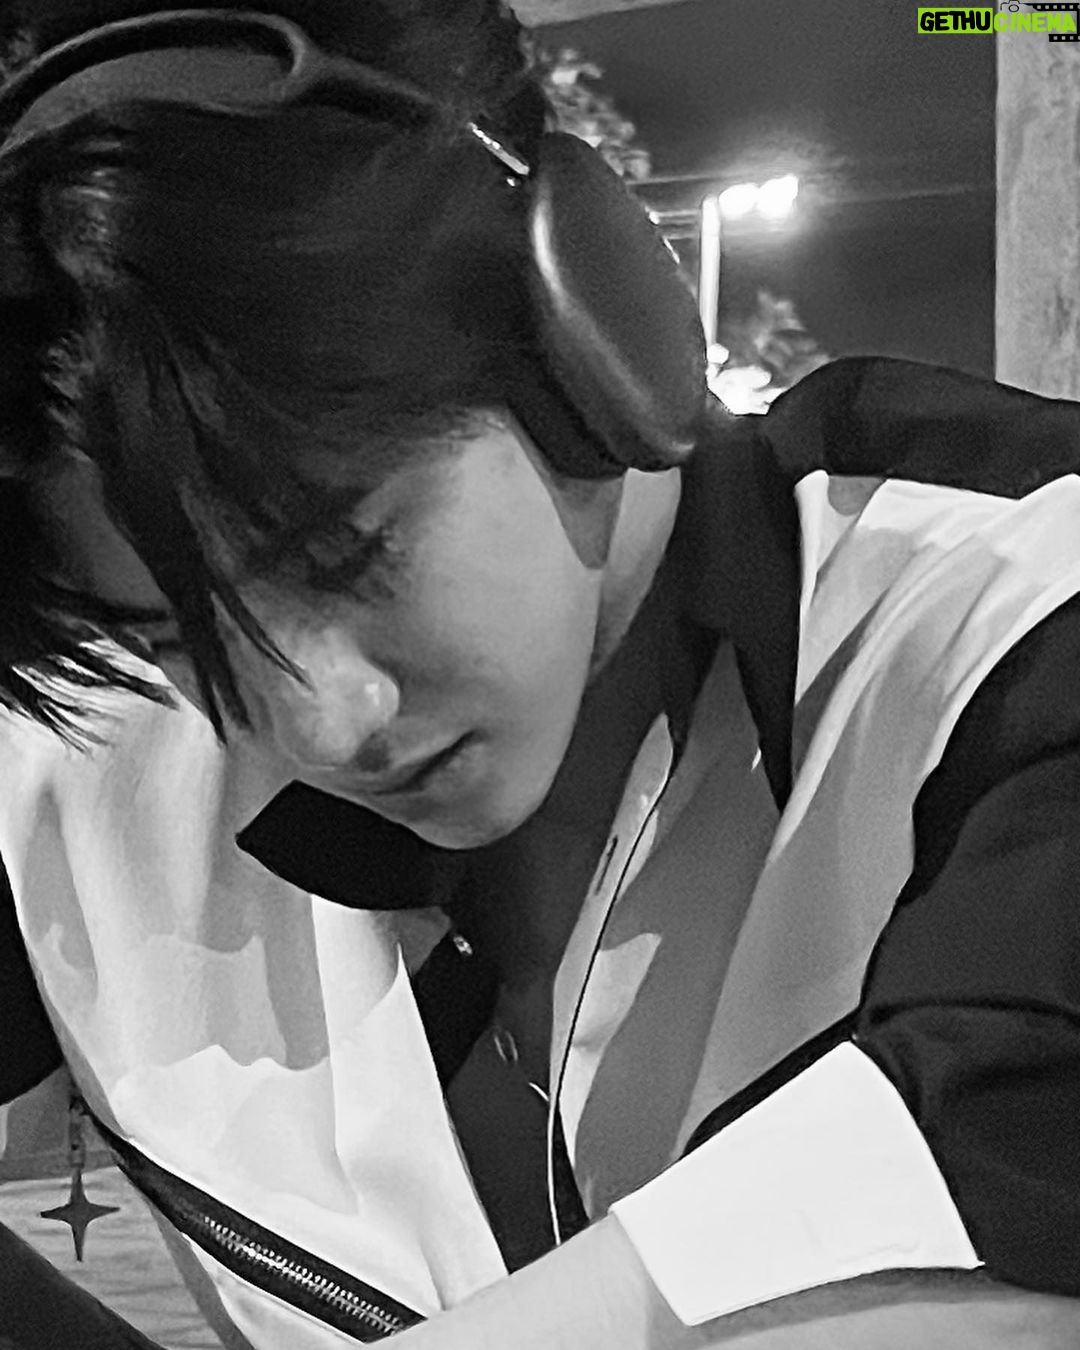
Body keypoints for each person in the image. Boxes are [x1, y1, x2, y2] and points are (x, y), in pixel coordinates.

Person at [0, 2, 1079, 1348]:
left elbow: (1019, 1200)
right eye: (179, 638)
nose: (319, 719)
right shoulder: (79, 768)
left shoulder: (1014, 600)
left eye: (346, 550)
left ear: (586, 327)